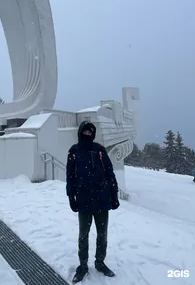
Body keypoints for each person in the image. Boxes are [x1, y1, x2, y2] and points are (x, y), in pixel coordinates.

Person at [66, 121, 120, 283]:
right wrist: (71, 197)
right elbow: (70, 176)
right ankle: (83, 265)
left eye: (90, 132)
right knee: (83, 234)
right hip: (83, 200)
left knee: (102, 234)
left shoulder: (100, 150)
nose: (88, 135)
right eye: (85, 132)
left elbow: (110, 173)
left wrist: (114, 195)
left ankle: (100, 262)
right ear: (80, 133)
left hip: (102, 199)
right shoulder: (74, 151)